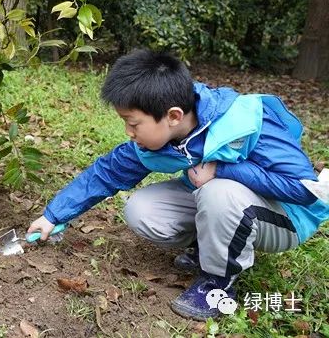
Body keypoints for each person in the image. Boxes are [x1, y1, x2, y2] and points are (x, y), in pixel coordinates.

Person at [27, 49, 329, 321]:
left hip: (288, 218)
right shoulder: (160, 142)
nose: (128, 132)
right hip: (227, 204)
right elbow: (105, 173)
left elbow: (303, 189)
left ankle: (218, 284)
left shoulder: (246, 119)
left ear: (173, 116)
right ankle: (209, 246)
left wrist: (222, 169)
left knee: (217, 190)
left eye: (133, 124)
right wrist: (53, 216)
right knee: (142, 209)